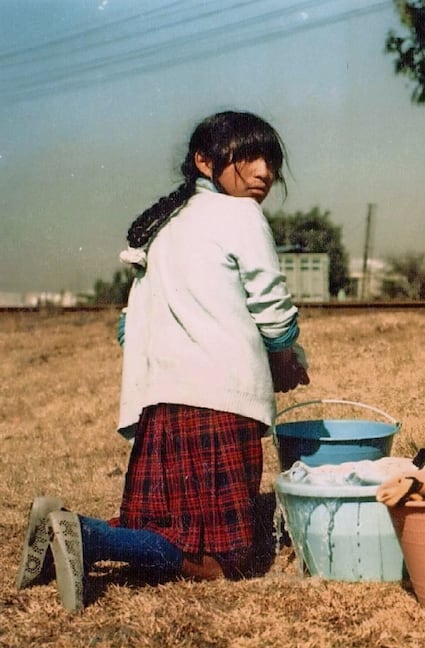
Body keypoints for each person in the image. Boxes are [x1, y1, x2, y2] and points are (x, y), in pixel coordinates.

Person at [15, 111, 310, 613]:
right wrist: (286, 354)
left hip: (162, 404)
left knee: (163, 528)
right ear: (204, 160)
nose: (264, 172)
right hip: (219, 401)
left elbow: (130, 328)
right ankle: (86, 536)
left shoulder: (165, 226)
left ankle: (59, 525)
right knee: (224, 558)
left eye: (272, 162)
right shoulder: (240, 216)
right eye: (249, 157)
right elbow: (272, 307)